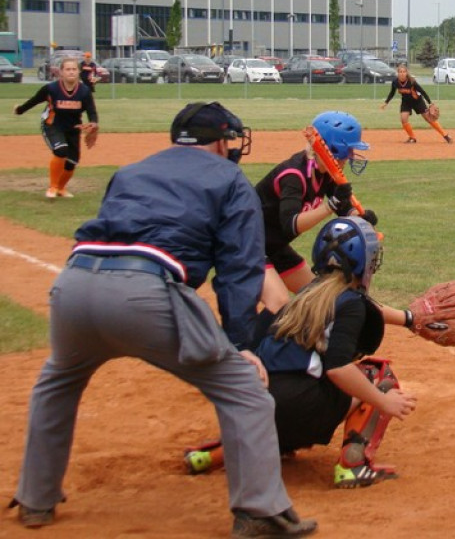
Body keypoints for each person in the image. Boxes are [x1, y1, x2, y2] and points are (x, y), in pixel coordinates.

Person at [8, 102, 317, 537]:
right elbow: (238, 271)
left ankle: (35, 499)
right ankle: (260, 511)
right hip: (144, 294)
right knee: (245, 392)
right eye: (229, 139)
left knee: (57, 382)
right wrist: (242, 344)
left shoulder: (132, 170)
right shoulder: (230, 178)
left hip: (73, 285)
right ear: (221, 141)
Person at [185, 217, 418, 488]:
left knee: (285, 396)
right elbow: (337, 368)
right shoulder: (351, 304)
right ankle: (353, 467)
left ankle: (214, 454)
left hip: (254, 409)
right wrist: (382, 400)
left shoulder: (305, 294)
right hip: (298, 409)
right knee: (378, 374)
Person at [256, 111, 379, 314]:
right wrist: (329, 205)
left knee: (320, 297)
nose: (350, 158)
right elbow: (292, 223)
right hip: (246, 244)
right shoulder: (294, 175)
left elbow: (344, 208)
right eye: (347, 151)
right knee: (278, 302)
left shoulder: (325, 174)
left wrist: (361, 219)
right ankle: (255, 345)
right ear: (332, 148)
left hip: (273, 244)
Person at [13, 55, 99, 199]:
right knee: (61, 150)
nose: (71, 72)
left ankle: (61, 188)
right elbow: (34, 101)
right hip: (52, 125)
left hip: (73, 128)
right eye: (67, 69)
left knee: (72, 162)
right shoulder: (51, 89)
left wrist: (94, 123)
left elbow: (91, 110)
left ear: (78, 72)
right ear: (61, 72)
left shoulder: (84, 91)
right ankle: (52, 187)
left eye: (74, 69)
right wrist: (20, 110)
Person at [380, 62, 453, 144]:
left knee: (429, 119)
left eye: (404, 72)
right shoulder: (395, 82)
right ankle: (412, 138)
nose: (402, 73)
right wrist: (386, 102)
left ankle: (445, 135)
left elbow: (422, 91)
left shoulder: (411, 81)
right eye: (400, 72)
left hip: (417, 101)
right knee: (403, 119)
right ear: (398, 73)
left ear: (406, 73)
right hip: (406, 102)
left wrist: (430, 103)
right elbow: (392, 93)